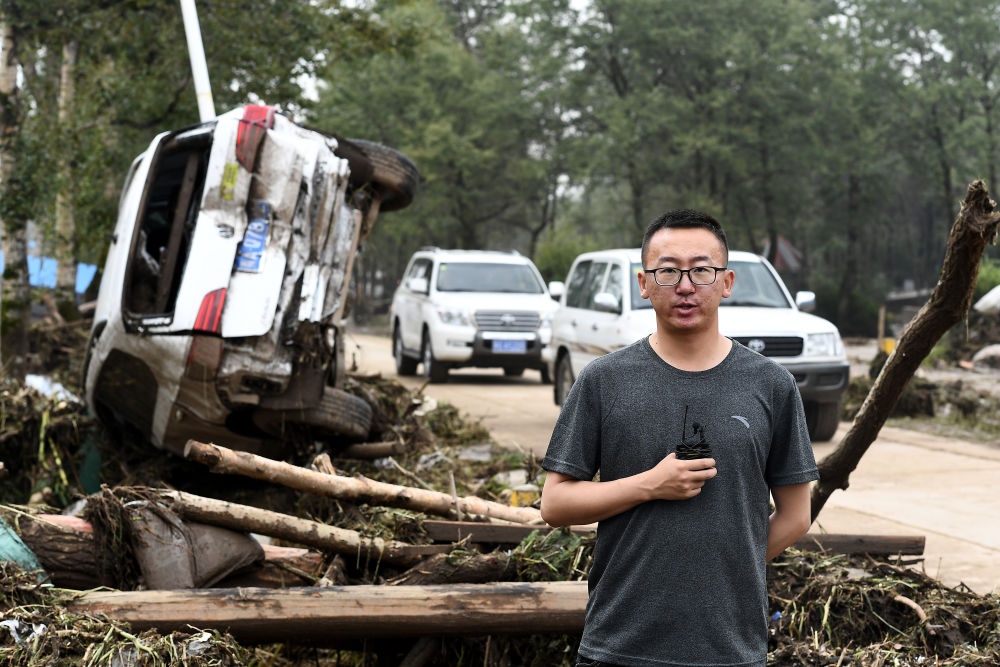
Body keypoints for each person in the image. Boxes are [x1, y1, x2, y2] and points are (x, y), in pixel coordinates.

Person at [540, 209, 817, 667]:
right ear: (644, 283)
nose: (685, 286)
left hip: (729, 649)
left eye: (701, 270)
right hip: (618, 645)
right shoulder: (604, 381)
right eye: (667, 271)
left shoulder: (771, 385)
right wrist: (650, 484)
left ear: (727, 282)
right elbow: (555, 504)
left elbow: (796, 515)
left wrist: (720, 572)